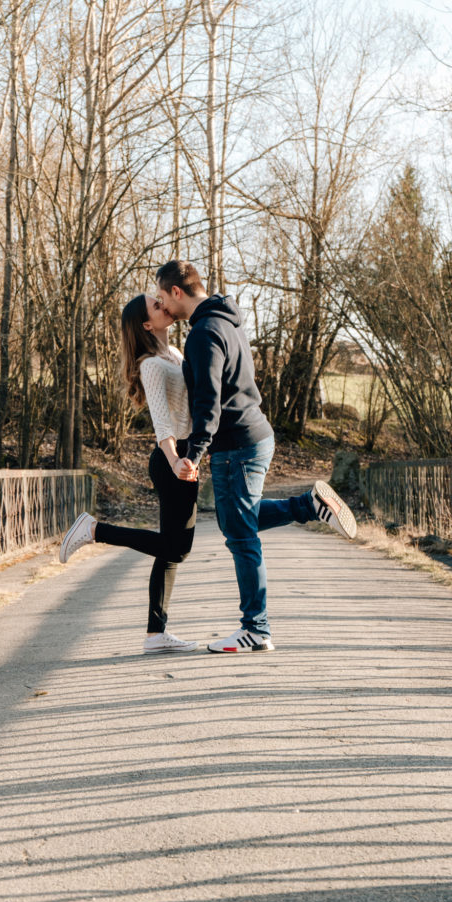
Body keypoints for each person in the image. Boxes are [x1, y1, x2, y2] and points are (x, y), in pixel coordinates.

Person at [155, 259, 356, 654]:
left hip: (237, 445)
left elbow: (207, 402)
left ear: (177, 292)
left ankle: (256, 628)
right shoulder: (226, 321)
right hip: (252, 436)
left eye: (163, 297)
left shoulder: (204, 333)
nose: (163, 306)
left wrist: (193, 453)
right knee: (238, 520)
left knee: (240, 535)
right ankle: (310, 506)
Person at [60, 293, 200, 654]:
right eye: (156, 306)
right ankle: (93, 530)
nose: (164, 305)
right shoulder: (152, 364)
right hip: (172, 458)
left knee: (170, 550)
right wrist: (174, 460)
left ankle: (156, 634)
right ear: (146, 325)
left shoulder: (176, 355)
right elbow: (162, 421)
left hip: (185, 456)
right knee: (176, 548)